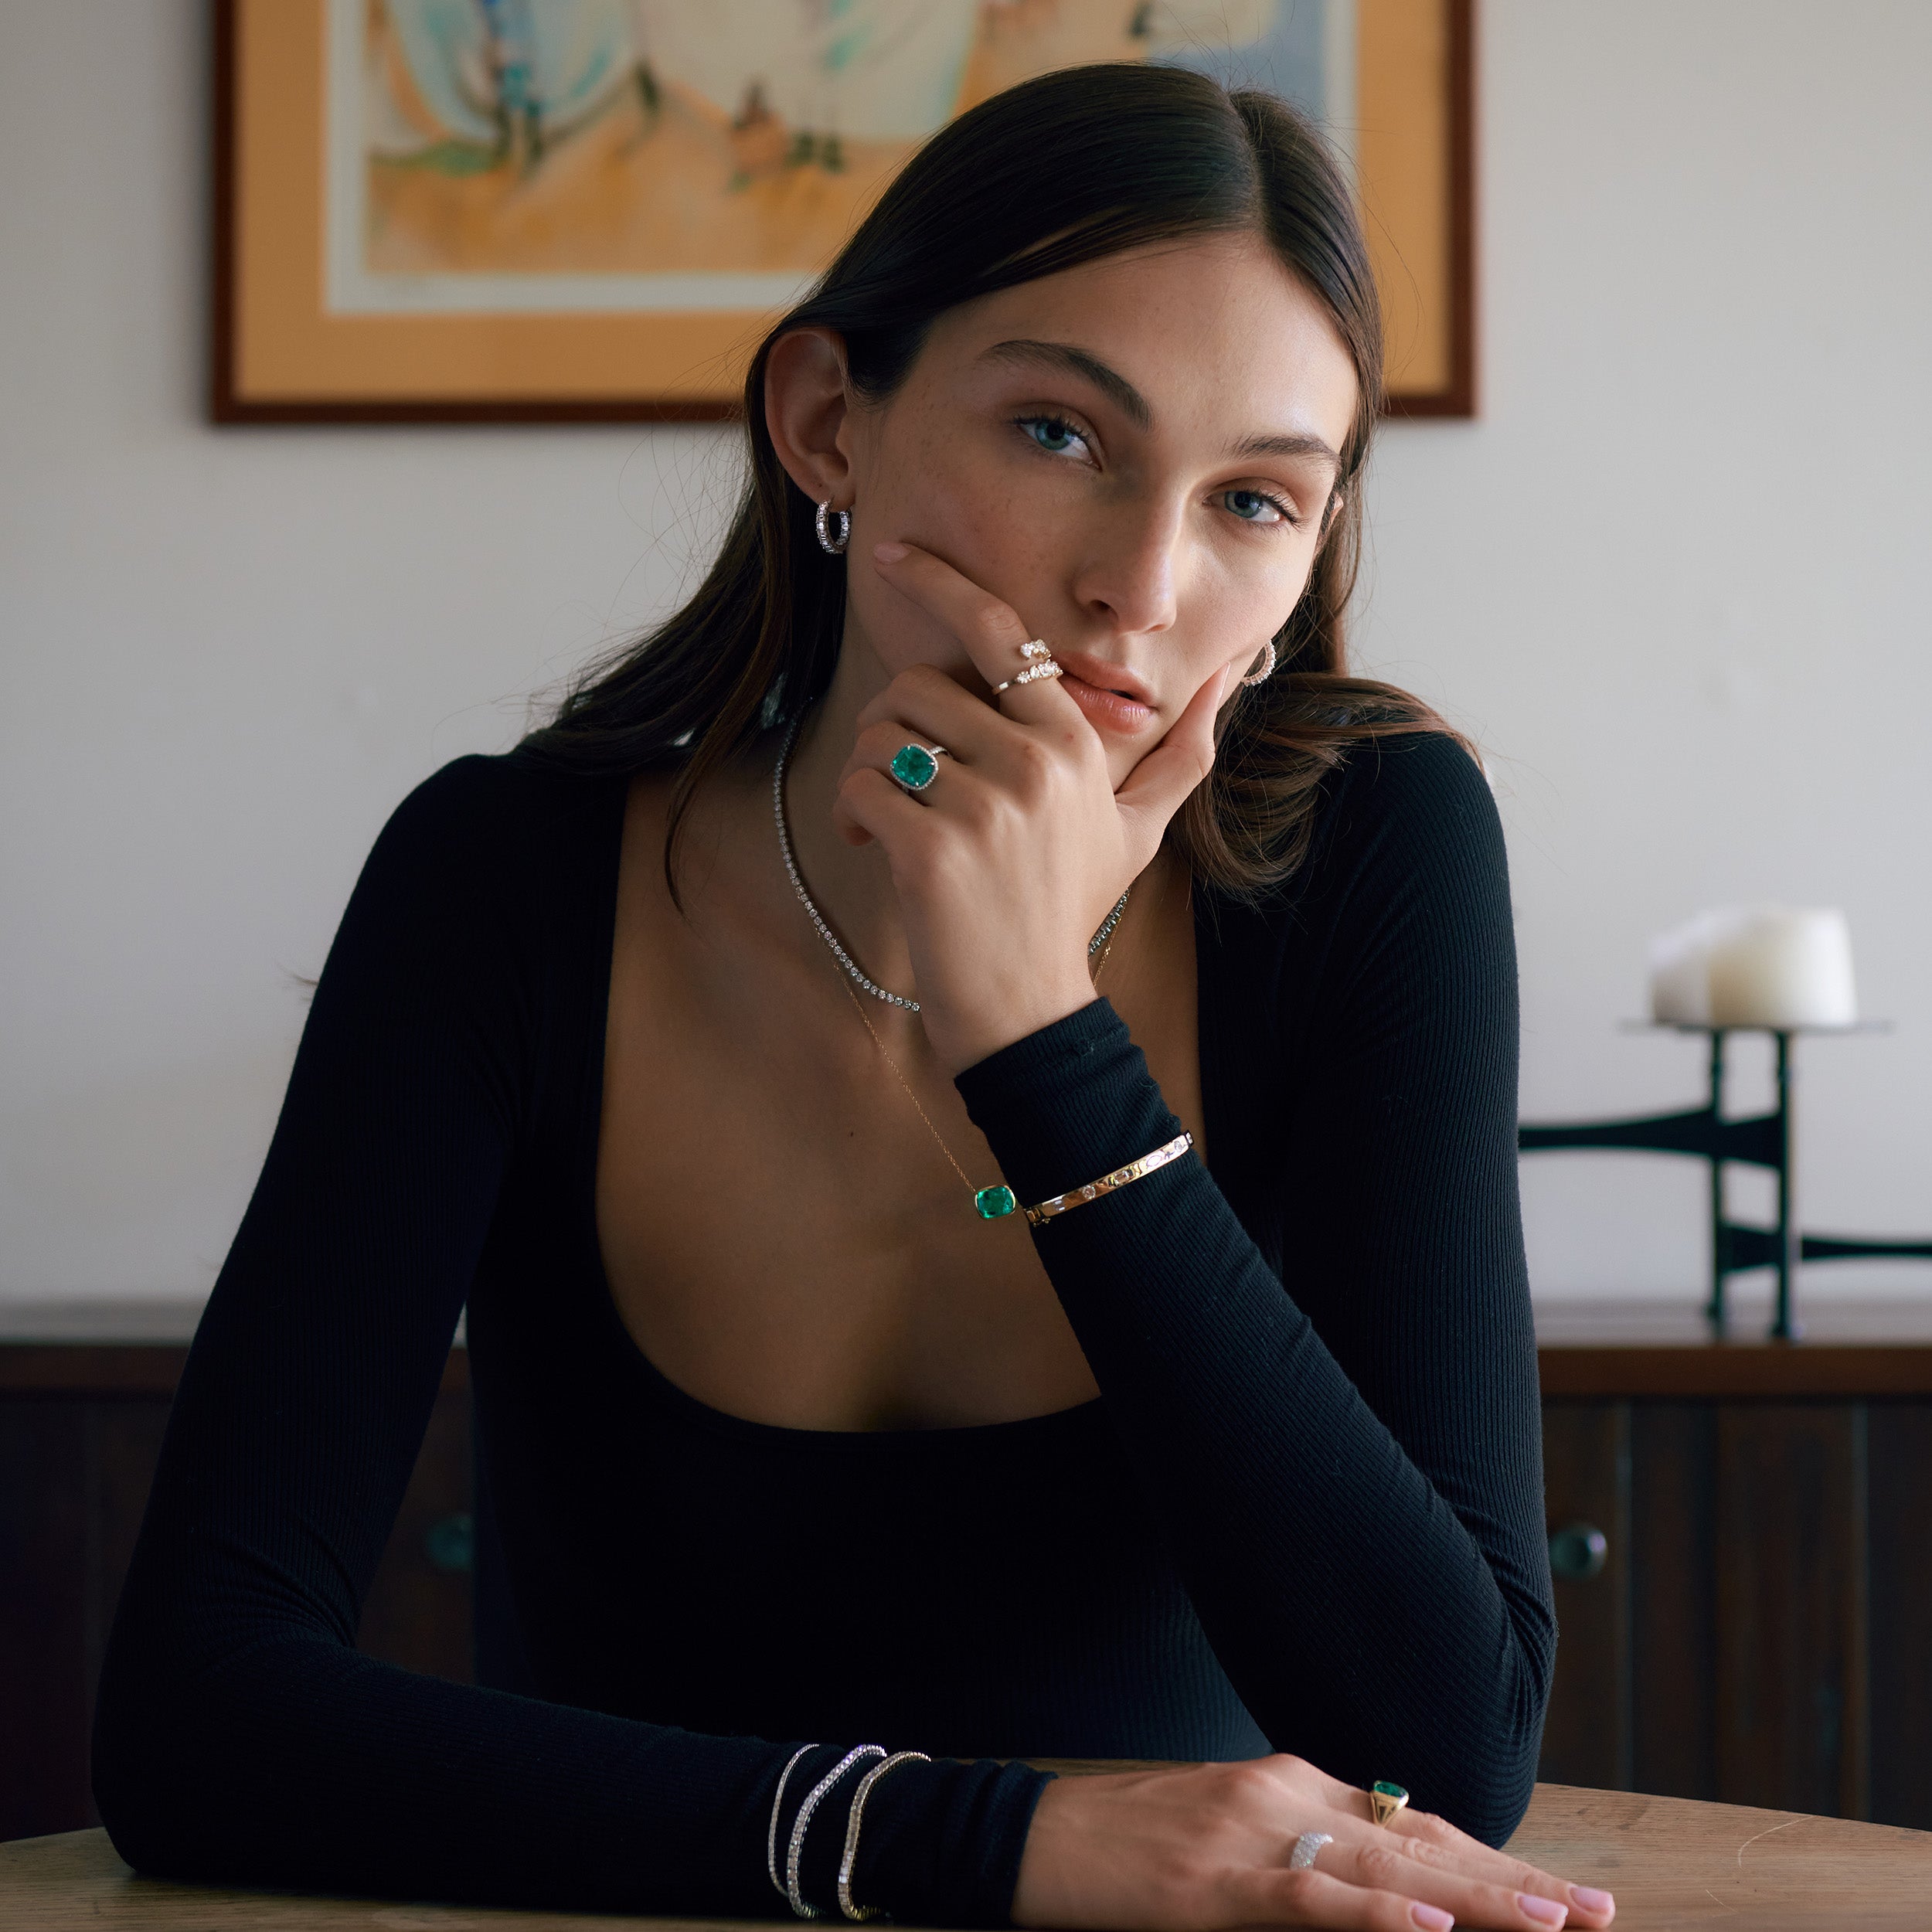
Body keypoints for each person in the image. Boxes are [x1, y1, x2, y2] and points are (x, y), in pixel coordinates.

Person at [91, 63, 1614, 1932]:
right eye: (1059, 432)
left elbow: (1446, 1747)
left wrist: (1038, 1037)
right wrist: (990, 1843)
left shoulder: (1366, 845)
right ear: (828, 420)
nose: (1143, 582)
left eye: (1251, 501)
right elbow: (192, 1712)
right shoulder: (504, 881)